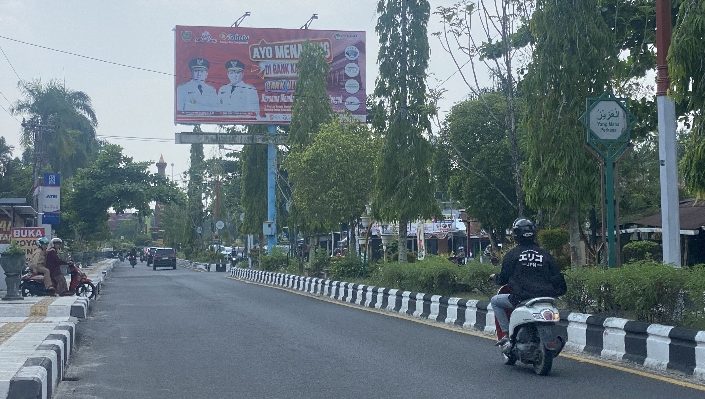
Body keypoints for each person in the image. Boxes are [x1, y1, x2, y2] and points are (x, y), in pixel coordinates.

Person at [489, 218, 566, 346]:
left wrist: (494, 278)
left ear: (516, 235)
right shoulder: (546, 255)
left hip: (521, 297)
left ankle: (506, 335)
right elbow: (558, 278)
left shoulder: (512, 255)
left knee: (495, 301)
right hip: (546, 297)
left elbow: (503, 278)